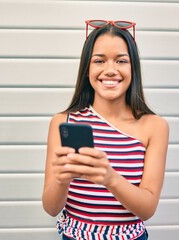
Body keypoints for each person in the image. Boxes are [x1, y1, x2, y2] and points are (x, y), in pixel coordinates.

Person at [42, 20, 169, 240]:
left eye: (121, 60)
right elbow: (51, 208)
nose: (110, 70)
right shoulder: (64, 122)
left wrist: (109, 178)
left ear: (133, 67)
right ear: (87, 68)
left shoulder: (154, 126)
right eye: (99, 60)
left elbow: (147, 209)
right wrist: (63, 180)